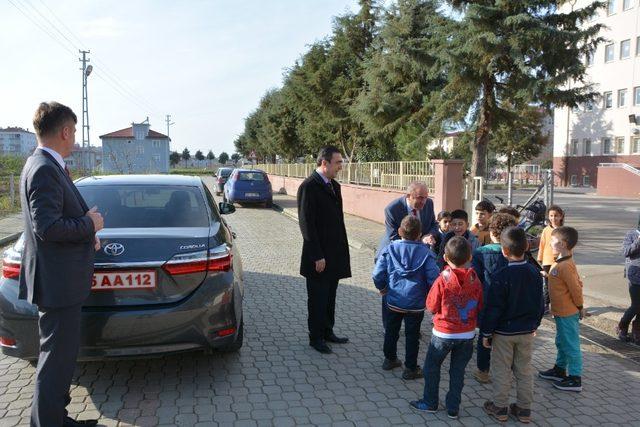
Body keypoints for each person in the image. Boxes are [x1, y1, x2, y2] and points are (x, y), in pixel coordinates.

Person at [19, 102, 103, 427]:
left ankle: (56, 418)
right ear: (65, 131)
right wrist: (90, 225)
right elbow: (48, 227)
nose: (76, 139)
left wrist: (85, 232)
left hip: (59, 281)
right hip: (58, 284)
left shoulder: (43, 164)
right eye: (75, 132)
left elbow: (54, 223)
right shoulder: (43, 168)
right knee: (55, 361)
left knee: (59, 359)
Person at [410, 236, 483, 420]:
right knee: (458, 371)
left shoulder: (442, 279)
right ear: (470, 257)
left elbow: (432, 305)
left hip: (443, 333)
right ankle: (453, 408)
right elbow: (480, 305)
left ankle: (430, 402)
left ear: (444, 257)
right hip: (467, 334)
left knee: (431, 367)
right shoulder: (475, 279)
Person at [481, 227, 544, 424]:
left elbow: (494, 308)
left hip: (503, 332)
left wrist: (486, 332)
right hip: (526, 331)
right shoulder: (535, 273)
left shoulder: (501, 275)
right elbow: (540, 304)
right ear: (526, 247)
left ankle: (500, 406)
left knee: (501, 370)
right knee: (524, 370)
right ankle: (524, 409)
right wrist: (535, 325)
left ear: (504, 251)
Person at [297, 146, 351, 354]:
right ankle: (316, 337)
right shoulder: (309, 187)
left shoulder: (334, 186)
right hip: (318, 256)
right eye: (338, 162)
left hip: (334, 254)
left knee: (330, 296)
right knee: (318, 298)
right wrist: (317, 255)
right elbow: (306, 224)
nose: (341, 166)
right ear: (324, 163)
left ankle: (328, 331)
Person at [372, 215, 439, 380]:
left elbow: (377, 273)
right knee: (412, 335)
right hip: (416, 304)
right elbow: (434, 278)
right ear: (419, 234)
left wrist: (382, 288)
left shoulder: (390, 249)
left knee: (391, 330)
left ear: (400, 232)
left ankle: (390, 359)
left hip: (393, 299)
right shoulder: (426, 253)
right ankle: (410, 368)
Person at [376, 181, 438, 328]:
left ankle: (413, 326)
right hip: (396, 253)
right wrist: (417, 242)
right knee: (392, 288)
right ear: (409, 196)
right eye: (420, 198)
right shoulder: (392, 209)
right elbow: (393, 236)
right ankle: (389, 326)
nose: (424, 201)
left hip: (420, 254)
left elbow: (433, 225)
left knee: (415, 289)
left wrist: (429, 235)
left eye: (425, 197)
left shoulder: (428, 204)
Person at [470, 213, 517, 384]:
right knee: (506, 340)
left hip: (487, 303)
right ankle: (508, 372)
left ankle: (483, 371)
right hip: (510, 304)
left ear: (491, 232)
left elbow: (474, 280)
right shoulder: (515, 254)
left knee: (485, 335)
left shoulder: (480, 253)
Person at [538, 226, 585, 392]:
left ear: (563, 244)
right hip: (560, 312)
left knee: (570, 344)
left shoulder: (565, 266)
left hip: (567, 312)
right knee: (562, 341)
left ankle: (575, 378)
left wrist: (580, 307)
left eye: (553, 241)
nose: (550, 243)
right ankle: (559, 369)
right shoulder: (561, 262)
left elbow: (576, 288)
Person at [538, 205, 565, 311]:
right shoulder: (546, 230)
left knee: (558, 285)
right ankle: (546, 305)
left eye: (556, 216)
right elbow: (542, 244)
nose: (553, 218)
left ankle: (557, 305)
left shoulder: (564, 231)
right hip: (547, 261)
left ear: (561, 216)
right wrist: (540, 258)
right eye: (551, 216)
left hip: (560, 262)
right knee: (547, 285)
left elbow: (568, 246)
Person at [618, 217, 640, 343]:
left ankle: (637, 329)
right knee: (636, 305)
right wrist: (638, 241)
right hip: (635, 275)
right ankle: (622, 325)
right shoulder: (631, 234)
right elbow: (626, 251)